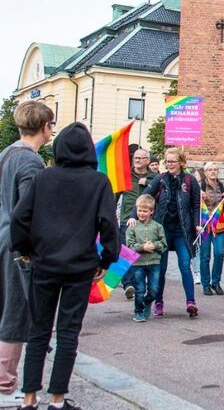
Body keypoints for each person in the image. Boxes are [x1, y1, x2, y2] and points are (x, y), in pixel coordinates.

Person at [11, 122, 119, 410]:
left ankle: (29, 397)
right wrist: (107, 259)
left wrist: (24, 249)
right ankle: (57, 398)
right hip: (80, 266)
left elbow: (21, 217)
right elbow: (109, 225)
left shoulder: (44, 178)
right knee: (68, 331)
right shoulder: (98, 182)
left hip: (44, 263)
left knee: (38, 331)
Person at [0, 101, 53, 408]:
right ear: (45, 127)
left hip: (4, 236)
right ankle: (6, 383)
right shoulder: (31, 163)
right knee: (17, 310)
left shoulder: (7, 153)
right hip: (19, 246)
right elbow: (29, 211)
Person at [130, 147, 201, 318]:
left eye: (172, 161)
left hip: (182, 230)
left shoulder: (190, 181)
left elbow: (196, 205)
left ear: (181, 162)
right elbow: (145, 197)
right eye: (167, 161)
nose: (169, 164)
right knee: (160, 269)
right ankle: (159, 302)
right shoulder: (160, 179)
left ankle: (191, 302)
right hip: (162, 230)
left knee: (185, 265)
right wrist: (133, 216)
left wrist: (197, 224)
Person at [117, 148, 156, 300]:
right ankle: (128, 284)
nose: (137, 160)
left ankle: (140, 283)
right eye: (135, 158)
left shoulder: (154, 177)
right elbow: (114, 196)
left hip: (147, 223)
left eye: (141, 158)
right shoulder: (125, 175)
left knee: (140, 255)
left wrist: (146, 182)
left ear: (147, 161)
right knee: (126, 252)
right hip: (127, 220)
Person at [126, 194, 167, 322]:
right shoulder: (132, 227)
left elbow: (163, 244)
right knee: (139, 289)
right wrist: (142, 247)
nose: (141, 213)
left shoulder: (158, 227)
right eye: (139, 211)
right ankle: (138, 312)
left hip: (154, 263)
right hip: (138, 263)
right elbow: (130, 246)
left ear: (151, 211)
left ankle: (147, 302)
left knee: (154, 290)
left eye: (145, 211)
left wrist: (154, 246)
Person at [200, 162, 224, 296]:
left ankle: (216, 282)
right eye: (210, 170)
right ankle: (206, 284)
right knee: (205, 256)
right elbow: (195, 204)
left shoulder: (222, 185)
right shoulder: (200, 186)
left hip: (219, 224)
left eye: (215, 170)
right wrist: (199, 196)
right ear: (205, 173)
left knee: (219, 254)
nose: (213, 172)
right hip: (205, 224)